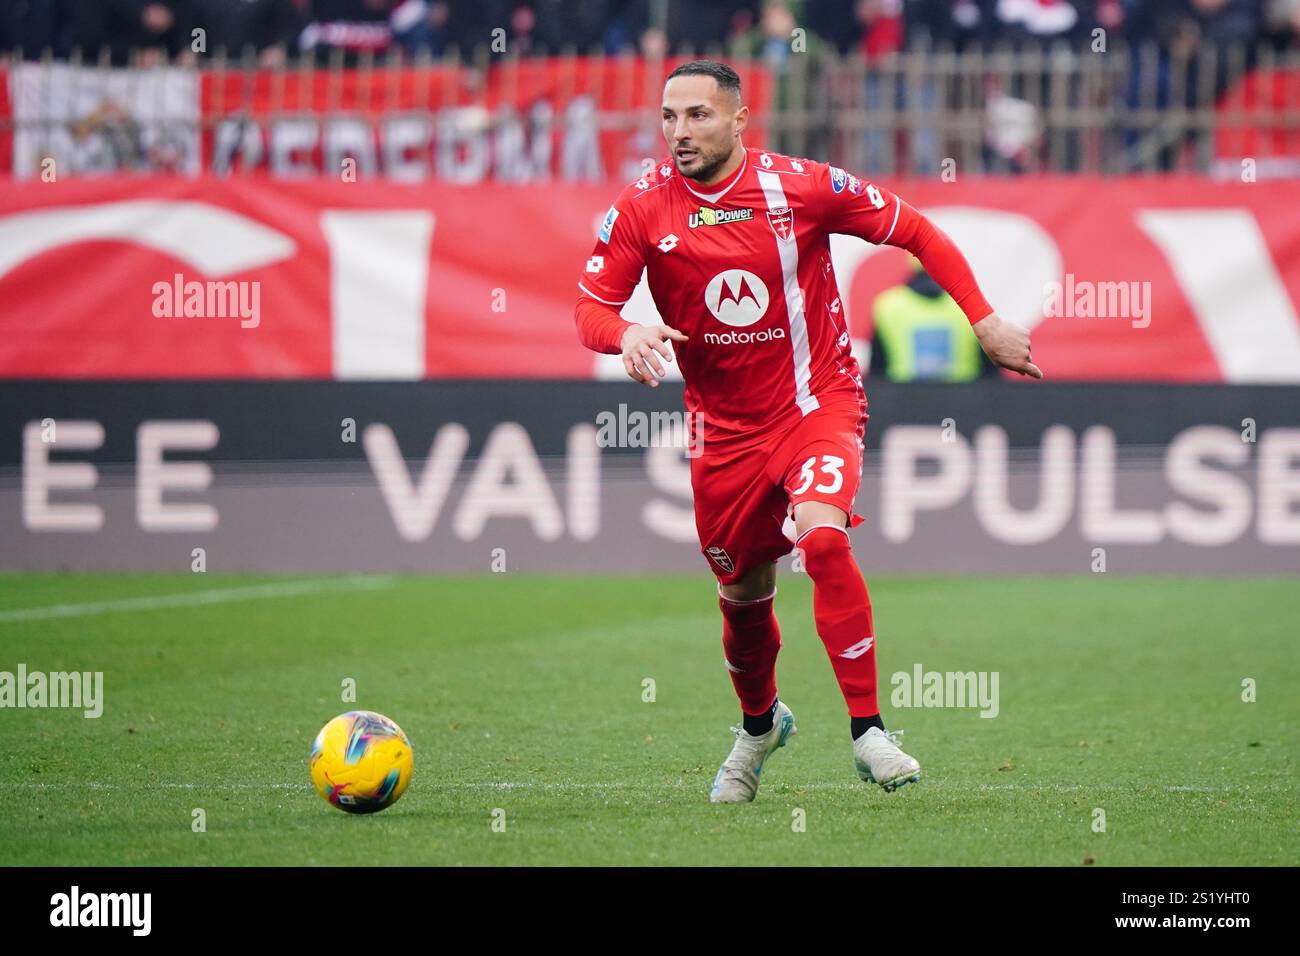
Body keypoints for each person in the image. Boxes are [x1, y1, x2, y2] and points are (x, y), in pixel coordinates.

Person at [573, 60, 1040, 803]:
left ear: (738, 120)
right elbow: (591, 307)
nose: (680, 132)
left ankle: (869, 732)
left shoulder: (803, 186)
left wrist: (982, 320)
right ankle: (759, 725)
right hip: (722, 432)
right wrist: (623, 332)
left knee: (822, 536)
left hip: (815, 402)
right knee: (742, 593)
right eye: (668, 117)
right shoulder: (640, 208)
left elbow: (916, 229)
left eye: (697, 115)